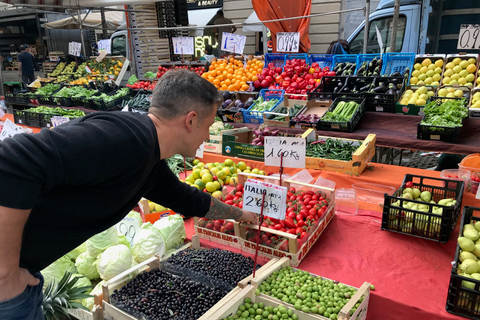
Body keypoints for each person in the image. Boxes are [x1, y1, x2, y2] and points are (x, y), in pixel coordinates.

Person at [0, 69, 258, 319]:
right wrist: (6, 272)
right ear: (191, 120)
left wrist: (239, 214)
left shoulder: (148, 155)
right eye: (209, 125)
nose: (207, 135)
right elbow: (13, 161)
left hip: (23, 274)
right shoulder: (123, 139)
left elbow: (187, 198)